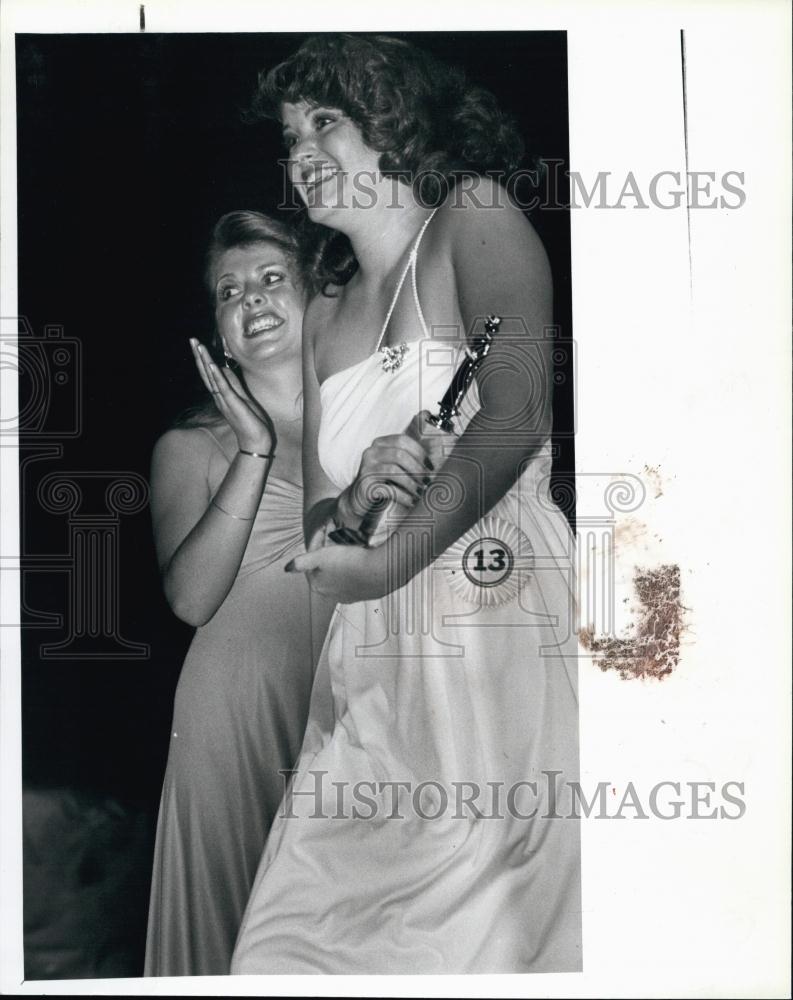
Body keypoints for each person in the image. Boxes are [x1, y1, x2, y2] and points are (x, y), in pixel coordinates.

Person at [231, 35, 581, 974]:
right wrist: (352, 503)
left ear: (390, 118)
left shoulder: (473, 215)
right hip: (370, 672)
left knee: (493, 940)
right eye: (288, 134)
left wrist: (387, 555)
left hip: (489, 622)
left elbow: (514, 415)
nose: (298, 150)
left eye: (324, 122)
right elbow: (316, 528)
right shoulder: (324, 314)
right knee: (287, 946)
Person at [144, 211, 331, 976]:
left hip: (353, 700)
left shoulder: (367, 428)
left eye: (271, 278)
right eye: (229, 290)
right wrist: (252, 450)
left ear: (320, 297)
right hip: (235, 716)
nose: (249, 298)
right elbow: (190, 601)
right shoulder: (189, 446)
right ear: (219, 334)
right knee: (232, 933)